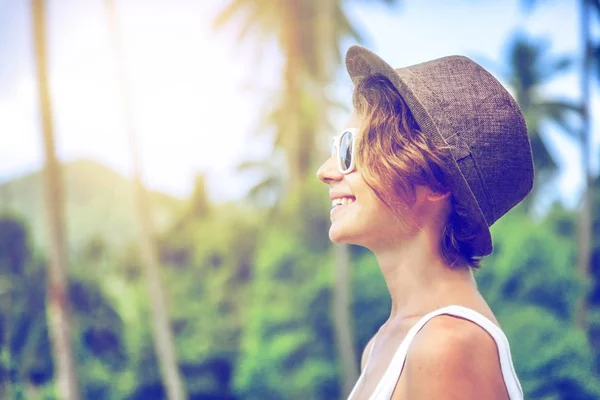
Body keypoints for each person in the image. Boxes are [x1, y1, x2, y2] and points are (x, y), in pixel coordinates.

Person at [317, 45, 534, 400]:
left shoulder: (450, 344)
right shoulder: (383, 344)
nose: (324, 172)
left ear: (433, 179)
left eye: (347, 151)